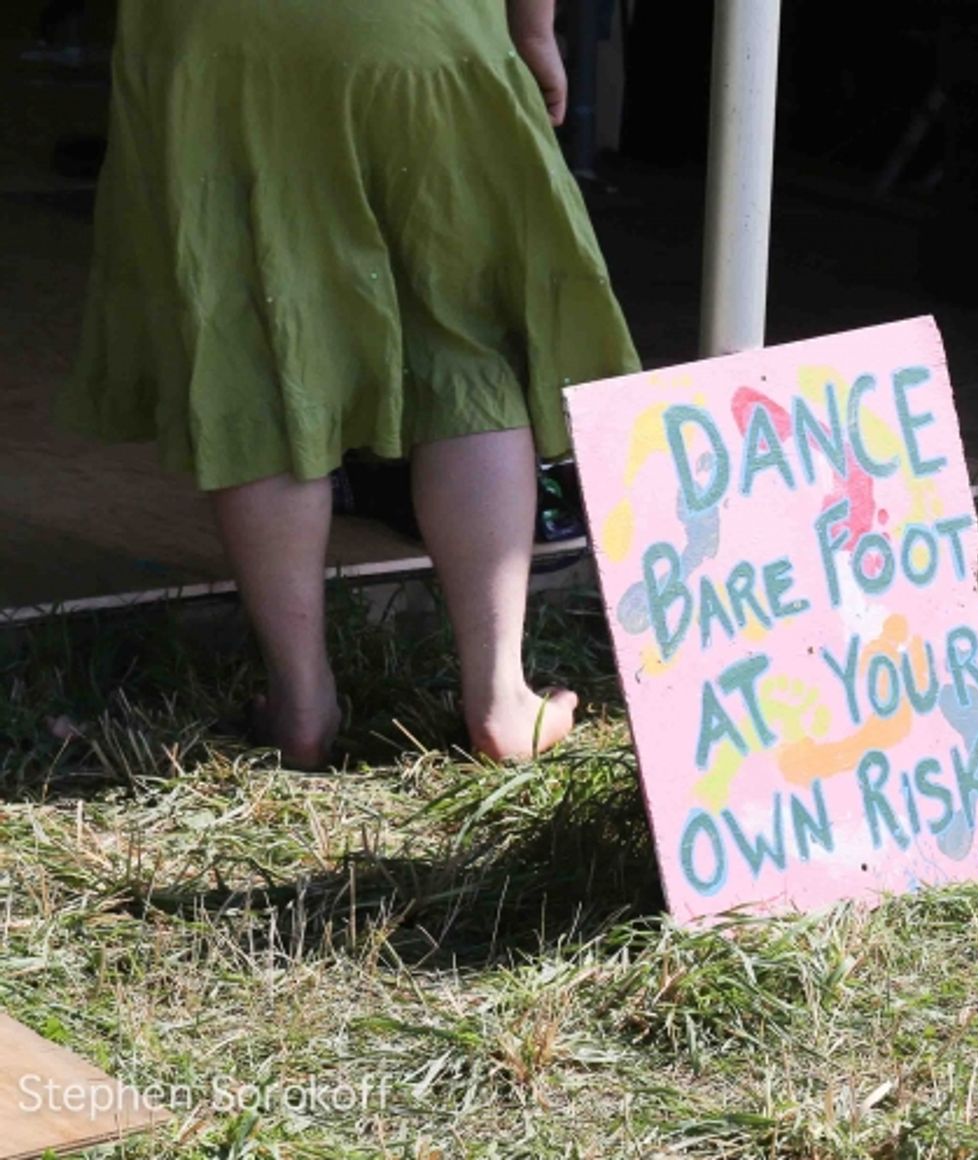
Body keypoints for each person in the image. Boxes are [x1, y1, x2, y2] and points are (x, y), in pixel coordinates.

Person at [56, 0, 639, 767]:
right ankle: (500, 700)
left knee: (253, 352)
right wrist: (533, 31)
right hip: (423, 33)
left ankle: (301, 703)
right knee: (470, 354)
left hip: (212, 44)